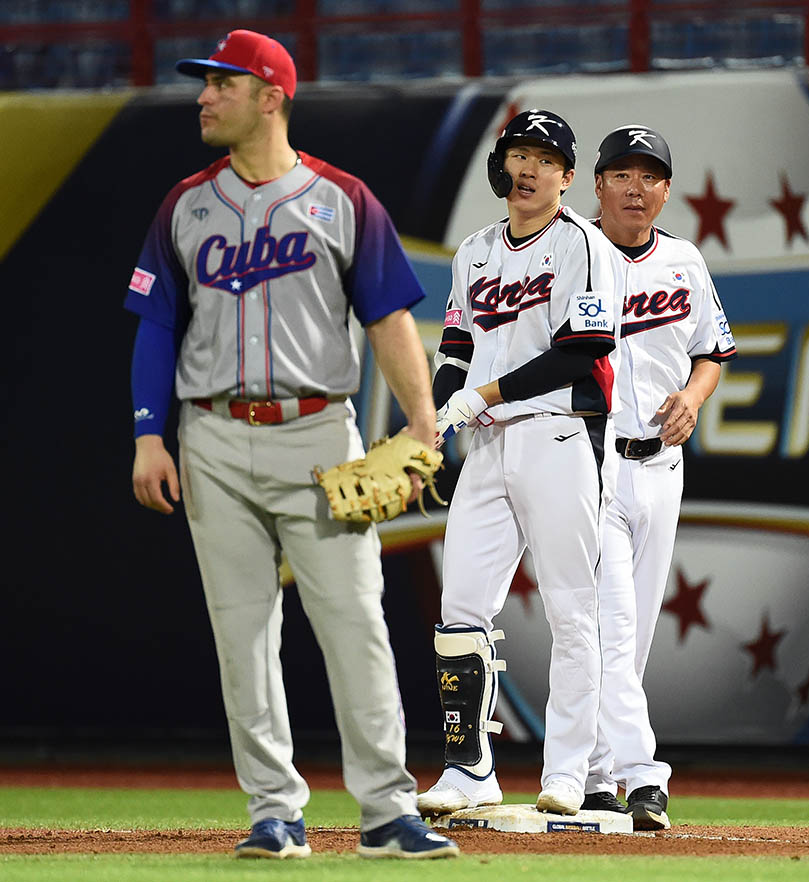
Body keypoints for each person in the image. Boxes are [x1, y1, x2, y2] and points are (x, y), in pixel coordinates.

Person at [124, 29, 458, 861]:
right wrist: (147, 434)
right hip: (210, 436)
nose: (204, 96)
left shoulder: (342, 198)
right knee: (242, 636)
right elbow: (156, 324)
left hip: (317, 433)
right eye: (205, 86)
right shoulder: (185, 204)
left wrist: (421, 424)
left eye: (221, 84)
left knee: (355, 625)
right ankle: (274, 813)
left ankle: (386, 810)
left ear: (271, 95)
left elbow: (388, 318)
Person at [416, 109, 623, 818]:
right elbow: (454, 351)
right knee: (460, 608)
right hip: (488, 442)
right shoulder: (473, 250)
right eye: (517, 153)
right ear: (500, 166)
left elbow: (582, 349)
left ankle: (568, 770)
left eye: (545, 157)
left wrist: (477, 398)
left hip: (560, 435)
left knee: (572, 606)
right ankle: (468, 771)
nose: (528, 167)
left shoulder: (582, 244)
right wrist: (438, 418)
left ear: (567, 176)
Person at [582, 126, 737, 829]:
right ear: (598, 185)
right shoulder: (569, 255)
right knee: (614, 628)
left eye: (650, 176)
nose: (636, 187)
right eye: (622, 174)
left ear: (667, 190)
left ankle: (591, 776)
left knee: (631, 637)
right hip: (592, 464)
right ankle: (645, 777)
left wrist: (695, 397)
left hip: (662, 468)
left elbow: (712, 351)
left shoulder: (684, 260)